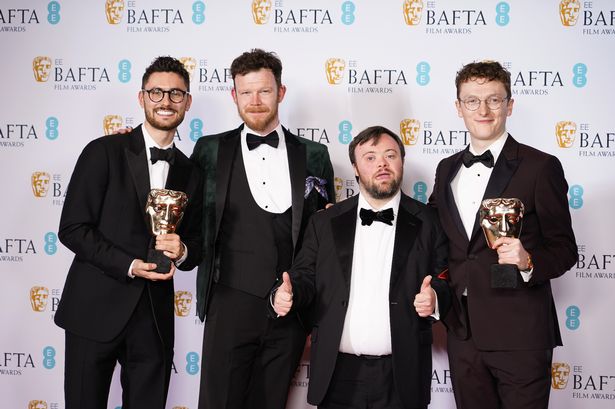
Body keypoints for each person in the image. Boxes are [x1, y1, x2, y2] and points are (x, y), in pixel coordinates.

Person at [55, 56, 202, 409]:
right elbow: (72, 229)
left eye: (176, 94)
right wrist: (129, 264)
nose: (166, 101)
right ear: (141, 98)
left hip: (153, 320)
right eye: (156, 92)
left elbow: (196, 246)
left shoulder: (192, 171)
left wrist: (182, 251)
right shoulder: (103, 151)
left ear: (187, 102)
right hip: (93, 310)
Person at [191, 48, 335, 409]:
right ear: (234, 95)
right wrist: (128, 142)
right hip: (228, 302)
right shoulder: (209, 150)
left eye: (265, 91)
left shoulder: (315, 155)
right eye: (246, 92)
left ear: (281, 92)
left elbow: (325, 233)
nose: (255, 102)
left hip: (289, 309)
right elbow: (173, 199)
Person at [428, 60, 577, 409]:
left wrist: (529, 261)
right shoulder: (446, 169)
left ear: (509, 106)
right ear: (458, 108)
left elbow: (565, 249)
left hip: (520, 333)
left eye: (494, 100)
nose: (483, 110)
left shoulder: (541, 167)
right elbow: (435, 231)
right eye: (472, 101)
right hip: (462, 331)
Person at [273, 126, 451, 409]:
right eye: (370, 157)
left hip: (403, 374)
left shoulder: (430, 221)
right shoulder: (324, 222)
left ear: (401, 162)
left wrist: (436, 297)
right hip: (337, 374)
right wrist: (288, 294)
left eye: (390, 155)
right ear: (355, 168)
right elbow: (304, 276)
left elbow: (445, 276)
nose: (381, 163)